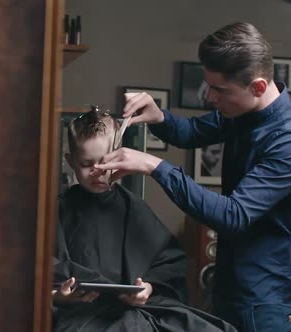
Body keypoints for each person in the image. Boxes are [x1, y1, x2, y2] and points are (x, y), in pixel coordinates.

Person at [94, 22, 291, 332]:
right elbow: (192, 132)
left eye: (219, 90)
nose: (210, 97)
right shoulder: (243, 112)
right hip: (229, 288)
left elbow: (234, 214)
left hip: (267, 301)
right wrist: (158, 116)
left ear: (256, 87)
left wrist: (154, 166)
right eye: (209, 86)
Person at [52, 107, 236, 332]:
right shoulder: (56, 211)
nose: (98, 171)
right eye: (87, 164)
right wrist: (58, 296)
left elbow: (168, 263)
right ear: (70, 161)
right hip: (81, 313)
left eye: (105, 161)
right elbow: (43, 269)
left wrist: (148, 288)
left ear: (120, 156)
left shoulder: (133, 208)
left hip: (134, 309)